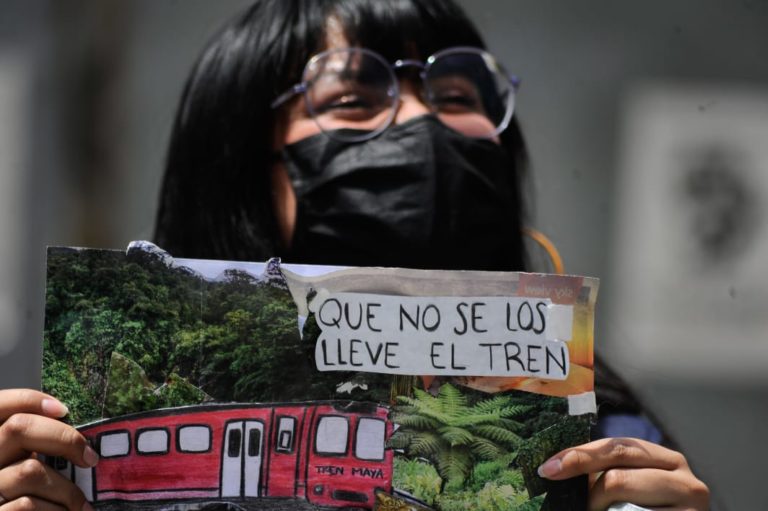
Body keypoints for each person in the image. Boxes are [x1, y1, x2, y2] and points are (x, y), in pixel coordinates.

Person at [0, 1, 710, 510]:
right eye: (350, 97)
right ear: (242, 165)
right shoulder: (62, 448)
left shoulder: (606, 454)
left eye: (457, 93)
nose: (421, 120)